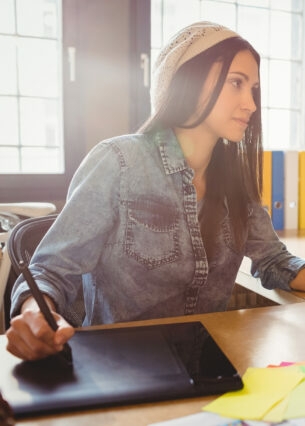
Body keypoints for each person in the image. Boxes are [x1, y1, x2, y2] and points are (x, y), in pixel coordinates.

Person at [6, 21, 305, 360]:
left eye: (253, 89)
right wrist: (34, 313)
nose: (250, 104)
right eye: (236, 83)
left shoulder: (235, 181)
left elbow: (276, 261)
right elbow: (49, 272)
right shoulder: (119, 162)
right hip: (120, 366)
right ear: (187, 81)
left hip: (208, 364)